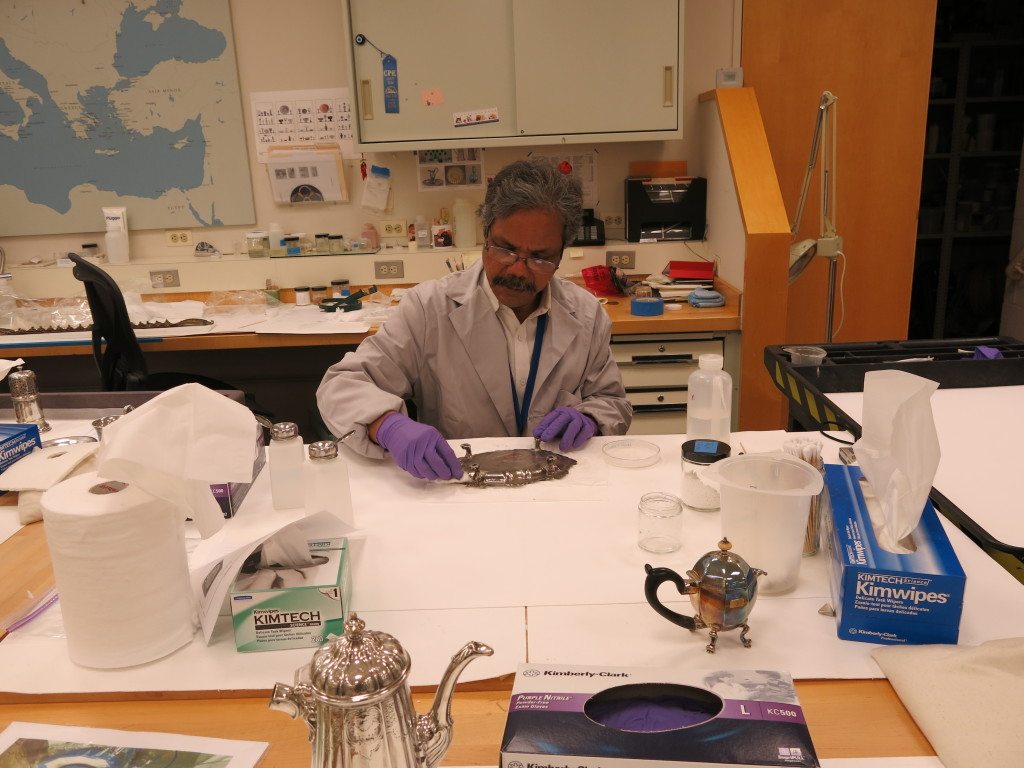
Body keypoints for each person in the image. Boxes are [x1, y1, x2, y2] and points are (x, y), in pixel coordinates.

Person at [316, 158, 631, 481]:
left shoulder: (587, 314)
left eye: (539, 257)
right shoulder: (429, 309)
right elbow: (341, 386)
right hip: (457, 485)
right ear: (485, 237)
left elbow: (611, 401)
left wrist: (590, 417)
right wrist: (388, 426)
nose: (518, 270)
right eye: (505, 249)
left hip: (553, 487)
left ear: (560, 255)